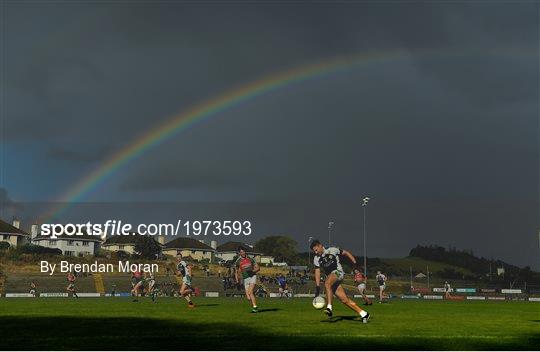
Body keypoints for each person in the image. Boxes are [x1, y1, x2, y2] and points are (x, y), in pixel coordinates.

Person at [310, 239, 369, 323]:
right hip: (332, 279)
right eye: (314, 251)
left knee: (327, 283)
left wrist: (355, 264)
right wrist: (317, 286)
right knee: (345, 300)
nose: (315, 252)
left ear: (320, 245)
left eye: (316, 250)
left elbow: (346, 253)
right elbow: (317, 272)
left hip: (338, 273)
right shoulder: (316, 258)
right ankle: (364, 314)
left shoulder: (332, 249)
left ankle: (329, 307)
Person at [234, 246, 260, 313]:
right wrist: (237, 282)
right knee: (248, 297)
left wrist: (253, 272)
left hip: (252, 277)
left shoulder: (251, 259)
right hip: (246, 279)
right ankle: (254, 306)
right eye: (241, 252)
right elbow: (236, 272)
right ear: (239, 253)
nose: (243, 253)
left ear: (245, 252)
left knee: (250, 292)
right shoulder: (238, 261)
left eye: (243, 251)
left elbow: (258, 268)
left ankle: (255, 307)